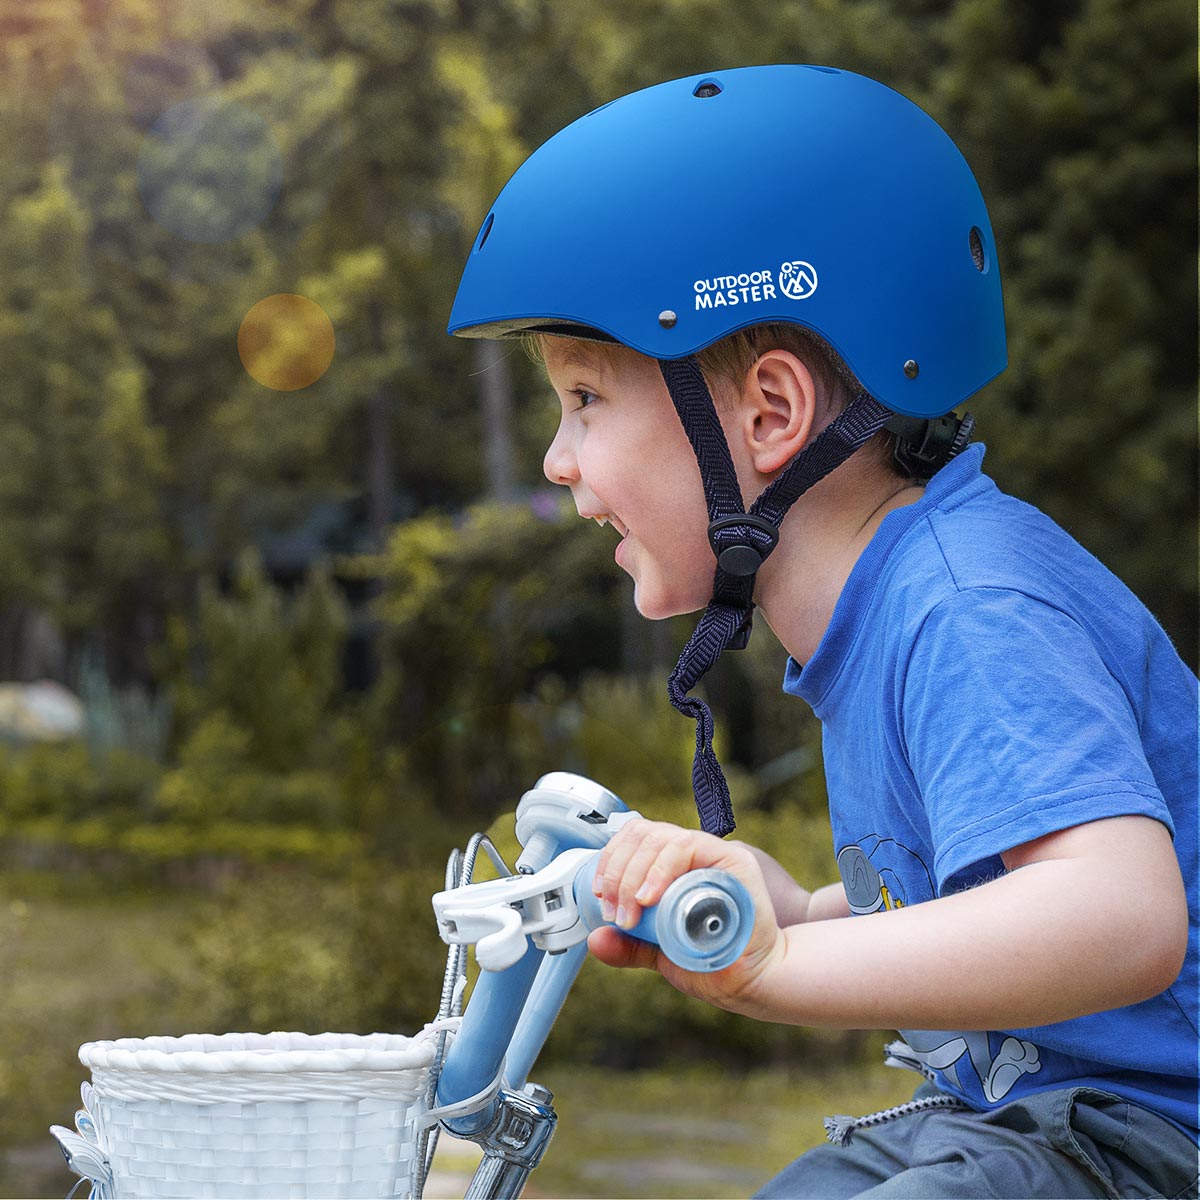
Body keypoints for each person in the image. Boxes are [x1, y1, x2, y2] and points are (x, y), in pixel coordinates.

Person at [446, 65, 1199, 1199]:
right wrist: (792, 905)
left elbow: (1124, 913)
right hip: (1037, 1132)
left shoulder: (967, 603)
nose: (559, 460)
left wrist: (782, 962)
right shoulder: (887, 612)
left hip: (1145, 1144)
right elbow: (986, 879)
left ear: (769, 416)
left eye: (587, 399)